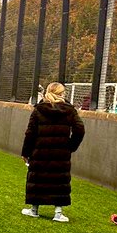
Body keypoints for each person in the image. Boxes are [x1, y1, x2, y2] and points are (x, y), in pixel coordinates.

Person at [21, 81, 85, 222]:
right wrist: (70, 146)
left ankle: (34, 209)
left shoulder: (39, 110)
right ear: (62, 94)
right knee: (59, 179)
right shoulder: (70, 110)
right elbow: (80, 129)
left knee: (38, 177)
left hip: (40, 150)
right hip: (61, 151)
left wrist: (26, 152)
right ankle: (58, 212)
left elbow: (30, 133)